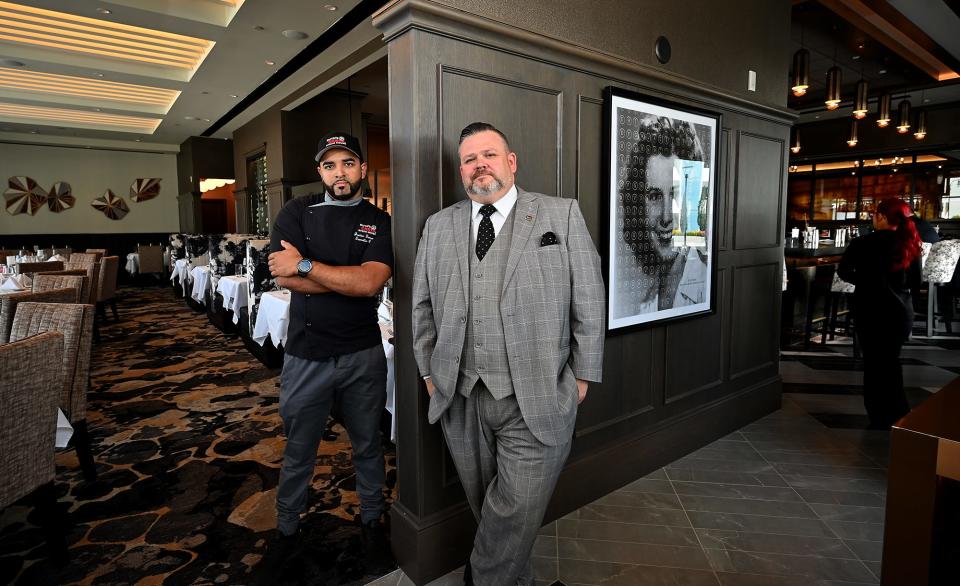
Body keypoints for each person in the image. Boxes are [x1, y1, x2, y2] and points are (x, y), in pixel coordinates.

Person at [412, 122, 605, 585]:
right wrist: (428, 372)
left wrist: (581, 377)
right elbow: (420, 307)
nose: (480, 165)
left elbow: (590, 299)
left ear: (511, 161)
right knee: (490, 510)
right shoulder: (438, 227)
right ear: (461, 170)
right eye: (469, 159)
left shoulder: (560, 215)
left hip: (537, 394)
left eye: (489, 155)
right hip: (459, 394)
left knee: (514, 510)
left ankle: (478, 581)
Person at [261, 132, 393, 573]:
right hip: (307, 355)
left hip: (363, 354)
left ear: (360, 168)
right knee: (299, 450)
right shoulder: (297, 212)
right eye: (331, 165)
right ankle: (286, 531)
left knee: (368, 446)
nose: (341, 173)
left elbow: (371, 283)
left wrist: (306, 265)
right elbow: (282, 276)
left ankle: (373, 523)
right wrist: (343, 278)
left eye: (348, 163)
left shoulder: (379, 220)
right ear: (320, 171)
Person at [838, 198, 922, 429]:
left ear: (883, 217)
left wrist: (866, 282)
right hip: (900, 313)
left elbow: (844, 271)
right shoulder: (910, 243)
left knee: (874, 364)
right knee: (891, 362)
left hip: (870, 310)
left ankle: (879, 415)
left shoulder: (862, 243)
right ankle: (899, 413)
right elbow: (916, 282)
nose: (873, 218)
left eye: (875, 214)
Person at [614, 115, 707, 318]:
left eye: (676, 194)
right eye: (654, 196)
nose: (666, 216)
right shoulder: (647, 299)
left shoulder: (705, 284)